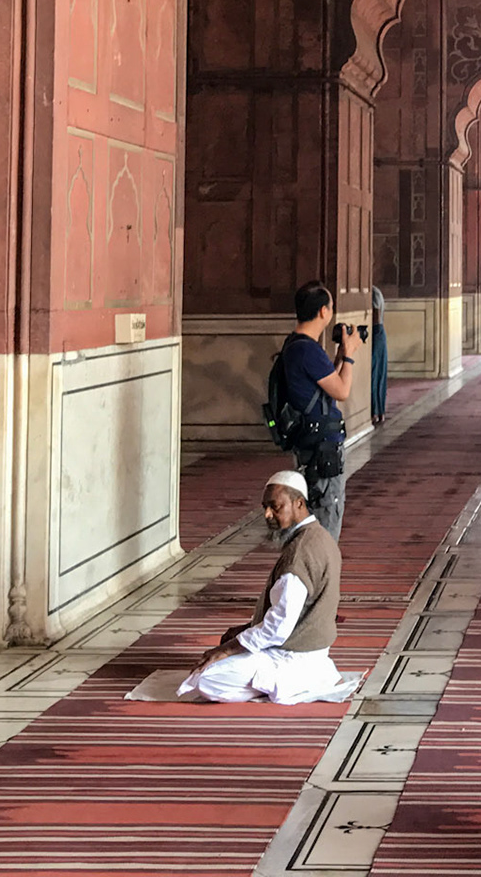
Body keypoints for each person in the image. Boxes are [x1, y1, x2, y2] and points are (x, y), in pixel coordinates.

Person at [181, 471, 343, 703]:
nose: (267, 515)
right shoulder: (320, 536)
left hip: (292, 657)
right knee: (229, 649)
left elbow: (279, 626)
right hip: (311, 649)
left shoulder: (299, 554)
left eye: (275, 507)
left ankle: (290, 683)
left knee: (205, 679)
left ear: (299, 503)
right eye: (265, 507)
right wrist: (245, 630)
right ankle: (291, 679)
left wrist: (226, 650)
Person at [274, 280, 363, 538]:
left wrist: (338, 357)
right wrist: (349, 355)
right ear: (323, 311)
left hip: (309, 442)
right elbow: (342, 391)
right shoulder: (307, 350)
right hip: (321, 447)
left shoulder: (295, 345)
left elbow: (325, 384)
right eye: (331, 307)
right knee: (325, 520)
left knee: (312, 515)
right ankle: (319, 572)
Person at [369, 284, 389, 426]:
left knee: (374, 373)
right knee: (379, 373)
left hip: (376, 332)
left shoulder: (373, 293)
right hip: (379, 333)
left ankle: (375, 411)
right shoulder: (376, 291)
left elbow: (376, 316)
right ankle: (379, 411)